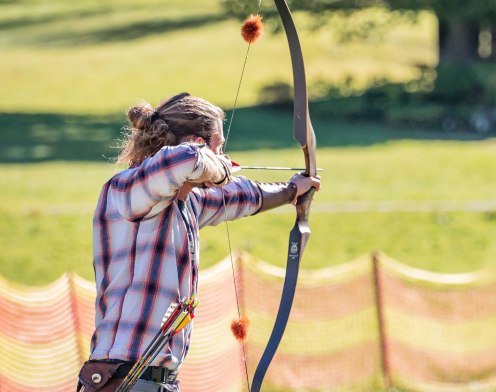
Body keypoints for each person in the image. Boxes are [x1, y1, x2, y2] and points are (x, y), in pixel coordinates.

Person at [76, 92, 320, 392]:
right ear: (199, 143)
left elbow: (239, 196)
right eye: (219, 146)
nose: (223, 155)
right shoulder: (126, 189)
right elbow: (185, 160)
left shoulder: (185, 202)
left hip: (154, 382)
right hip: (122, 379)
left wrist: (292, 190)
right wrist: (218, 167)